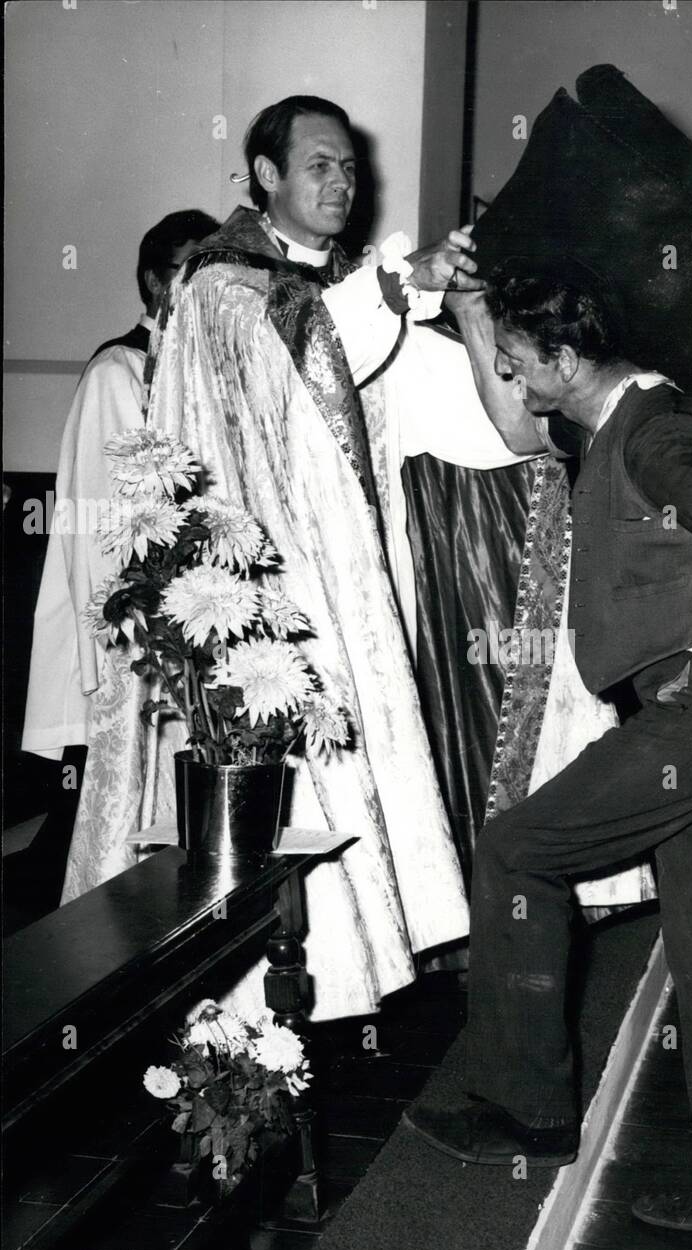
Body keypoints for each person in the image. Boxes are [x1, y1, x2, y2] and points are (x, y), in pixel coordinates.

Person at [67, 96, 645, 1022]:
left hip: (344, 588)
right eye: (321, 166)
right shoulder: (222, 285)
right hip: (247, 599)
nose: (343, 184)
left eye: (349, 169)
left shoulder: (332, 286)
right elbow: (298, 346)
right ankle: (228, 1010)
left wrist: (512, 351)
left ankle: (322, 983)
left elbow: (446, 405)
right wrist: (393, 287)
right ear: (266, 175)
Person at [406, 268, 692, 1238]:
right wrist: (472, 312)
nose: (508, 371)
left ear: (566, 356)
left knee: (517, 851)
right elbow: (516, 429)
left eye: (520, 357)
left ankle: (527, 1110)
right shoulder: (611, 414)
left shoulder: (663, 435)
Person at [19, 211, 219, 900]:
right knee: (118, 809)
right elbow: (93, 523)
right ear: (155, 282)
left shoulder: (205, 373)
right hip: (138, 636)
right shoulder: (119, 373)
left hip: (195, 624)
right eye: (193, 272)